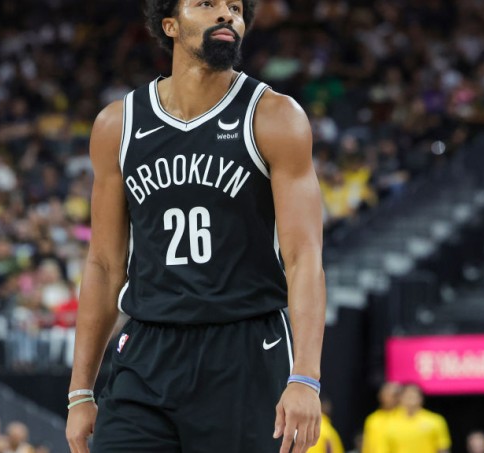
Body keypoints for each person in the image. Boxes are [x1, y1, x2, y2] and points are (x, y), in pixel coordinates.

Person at [65, 1, 326, 452]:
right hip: (148, 348)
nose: (227, 15)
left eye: (235, 8)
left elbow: (304, 260)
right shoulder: (117, 124)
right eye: (207, 4)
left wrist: (306, 377)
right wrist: (80, 391)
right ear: (169, 24)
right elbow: (105, 265)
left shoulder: (275, 116)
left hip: (243, 346)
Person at [378, 384, 451, 453]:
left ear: (421, 398)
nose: (411, 399)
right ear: (400, 398)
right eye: (408, 396)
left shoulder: (435, 420)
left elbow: (443, 448)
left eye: (414, 396)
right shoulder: (387, 422)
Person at [363, 382, 402, 453]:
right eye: (386, 394)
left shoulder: (404, 418)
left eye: (393, 395)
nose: (389, 398)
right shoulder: (373, 419)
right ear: (380, 396)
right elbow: (367, 445)